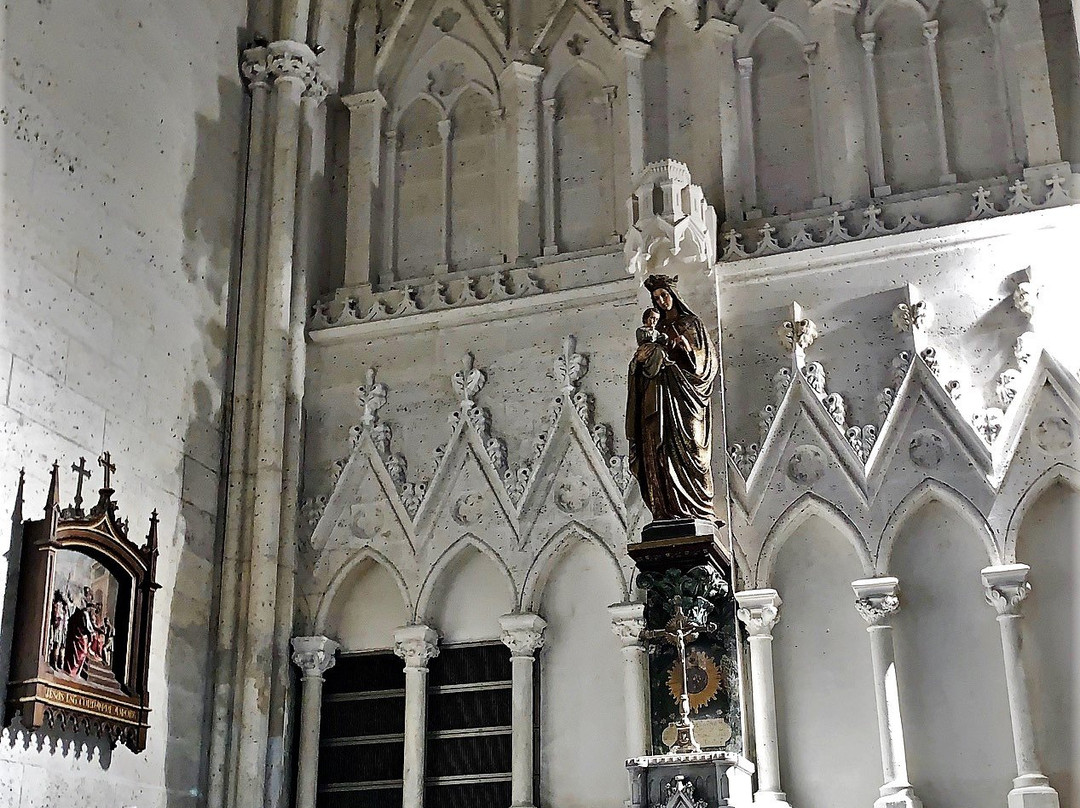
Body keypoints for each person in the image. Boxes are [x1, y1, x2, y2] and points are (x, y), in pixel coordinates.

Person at [625, 274, 718, 522]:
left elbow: (706, 364)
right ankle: (664, 508)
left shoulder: (691, 323)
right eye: (656, 299)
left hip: (684, 399)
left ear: (673, 295)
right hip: (657, 398)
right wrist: (639, 362)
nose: (662, 301)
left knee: (692, 448)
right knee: (657, 451)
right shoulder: (653, 331)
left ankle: (696, 510)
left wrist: (686, 348)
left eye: (664, 295)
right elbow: (640, 365)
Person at [63, 587, 96, 678]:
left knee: (82, 653)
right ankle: (72, 671)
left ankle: (75, 672)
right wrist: (91, 632)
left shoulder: (86, 613)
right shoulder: (82, 612)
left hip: (83, 637)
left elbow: (89, 625)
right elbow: (86, 625)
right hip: (79, 636)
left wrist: (92, 632)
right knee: (80, 654)